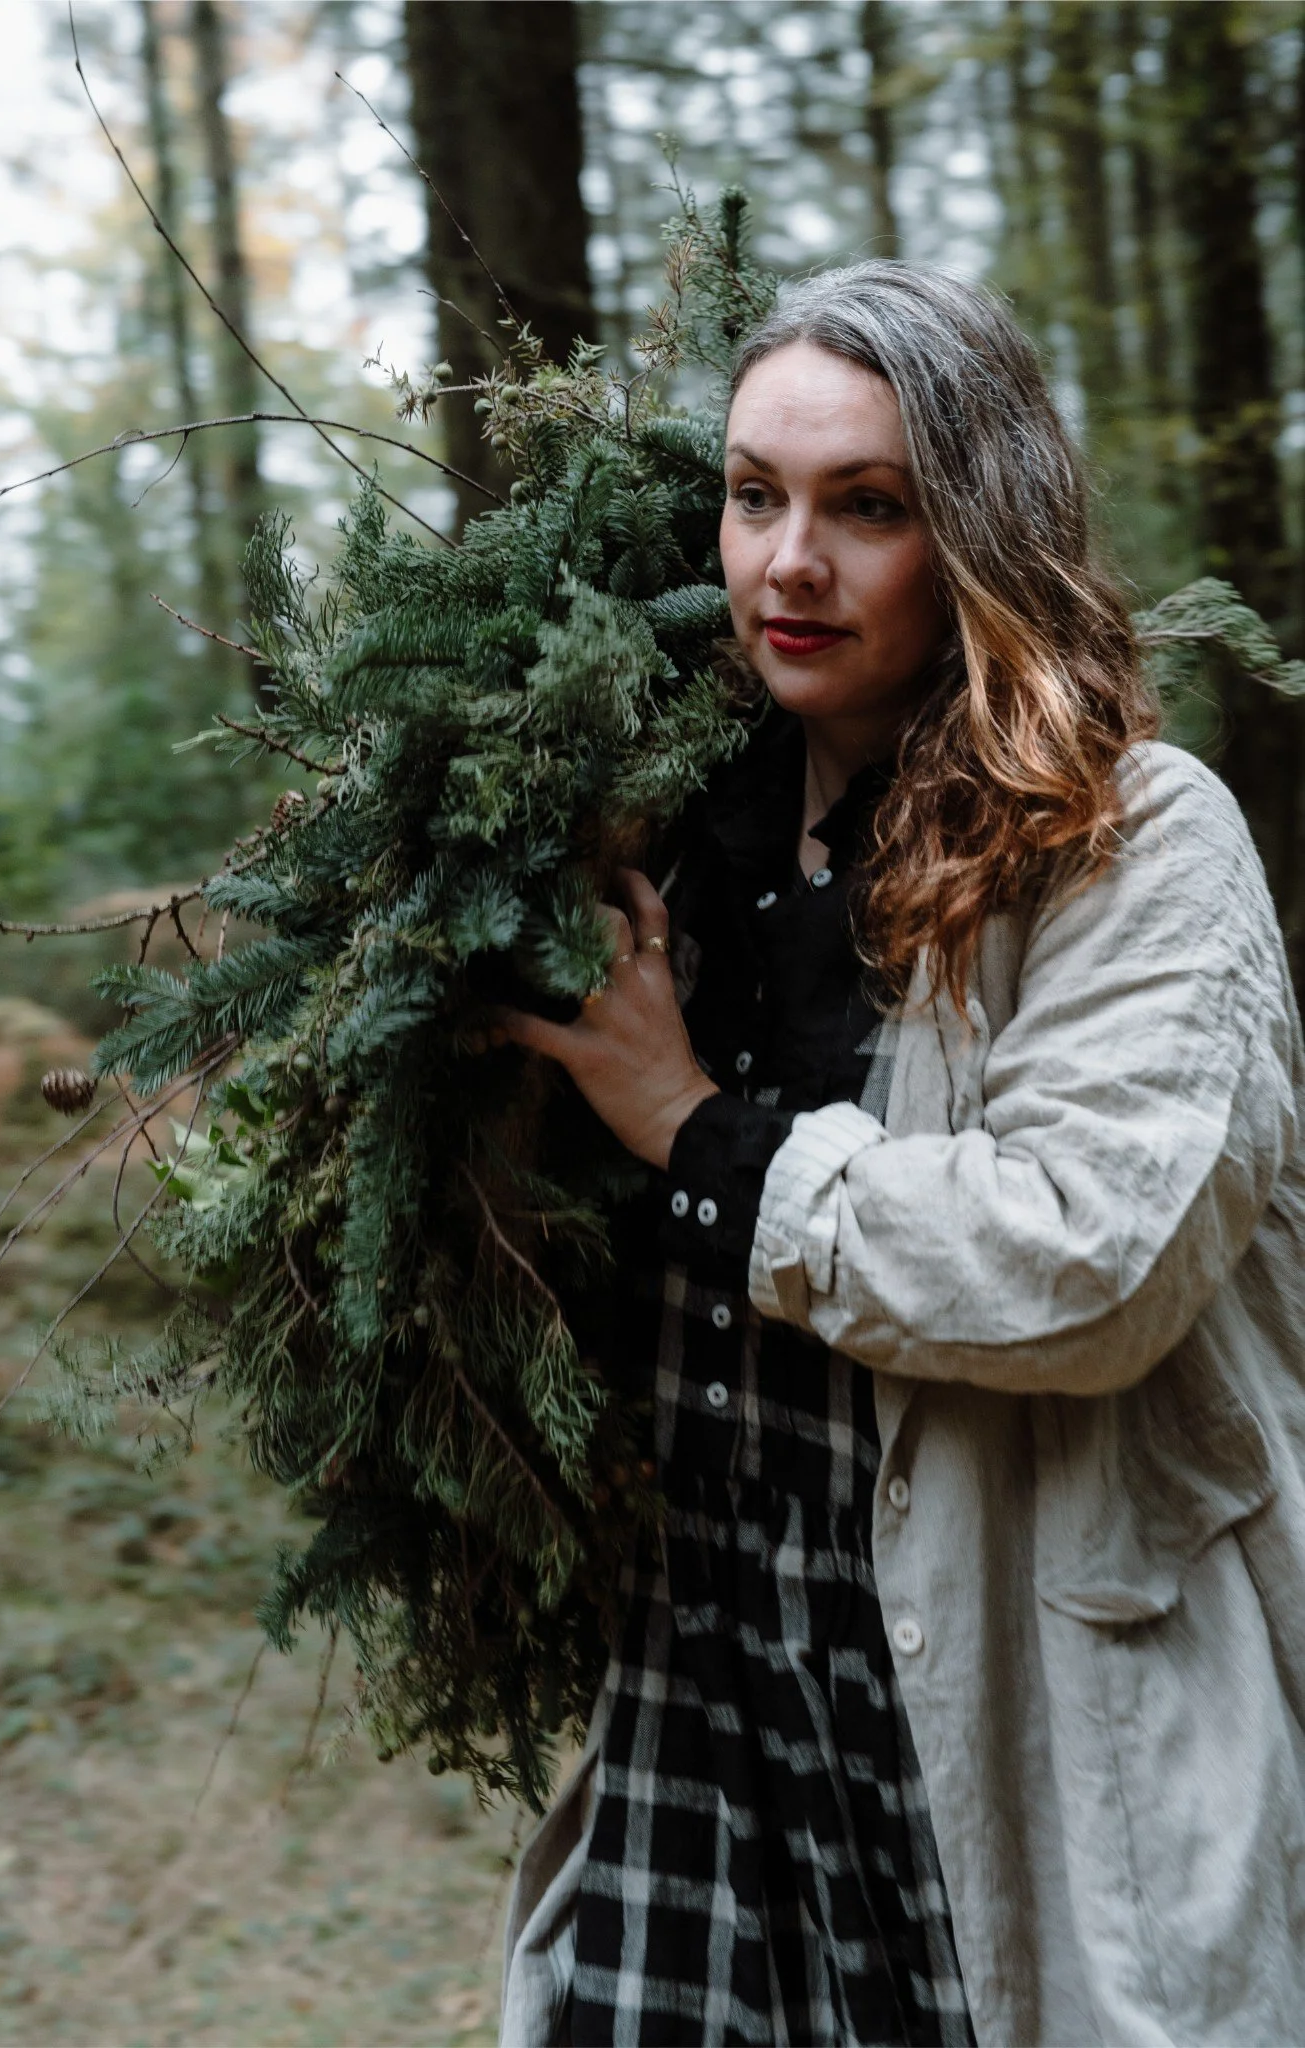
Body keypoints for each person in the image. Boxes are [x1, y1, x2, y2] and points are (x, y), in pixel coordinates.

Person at [496, 264, 1305, 2047]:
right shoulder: (678, 835)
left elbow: (1086, 1258)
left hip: (991, 1704)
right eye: (755, 493)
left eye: (869, 508)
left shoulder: (1134, 845)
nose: (790, 561)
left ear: (982, 529)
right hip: (703, 1696)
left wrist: (696, 1133)